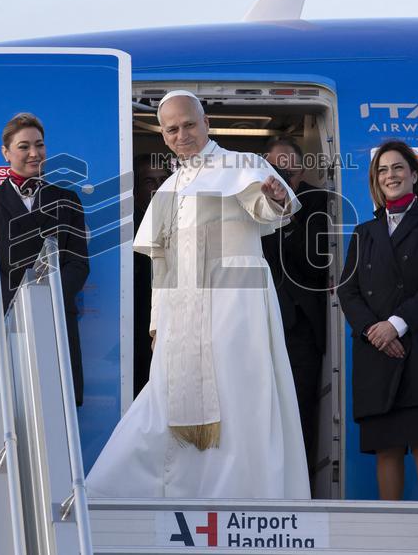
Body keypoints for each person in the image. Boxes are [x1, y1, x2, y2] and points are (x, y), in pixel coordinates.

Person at [86, 90, 310, 499]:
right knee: (163, 404)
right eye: (172, 129)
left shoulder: (241, 164)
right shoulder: (168, 187)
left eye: (189, 124)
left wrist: (275, 199)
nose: (182, 135)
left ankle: (238, 498)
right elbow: (161, 266)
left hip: (235, 306)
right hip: (181, 316)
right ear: (163, 135)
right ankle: (117, 495)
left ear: (206, 122)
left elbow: (268, 208)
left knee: (238, 400)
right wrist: (156, 324)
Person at [336, 140, 418, 501]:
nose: (390, 175)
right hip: (376, 352)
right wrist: (373, 331)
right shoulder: (364, 233)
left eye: (397, 168)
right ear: (376, 180)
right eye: (382, 170)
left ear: (415, 175)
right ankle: (389, 529)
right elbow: (348, 291)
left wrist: (396, 325)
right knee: (386, 448)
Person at [0, 112, 90, 406]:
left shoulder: (67, 199)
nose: (34, 153)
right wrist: (19, 302)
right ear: (6, 153)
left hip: (55, 317)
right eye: (24, 146)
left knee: (57, 405)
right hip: (7, 320)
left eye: (40, 145)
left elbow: (78, 264)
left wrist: (46, 298)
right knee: (9, 405)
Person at [260, 137, 329, 477]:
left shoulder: (318, 202)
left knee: (299, 409)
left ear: (301, 172)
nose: (282, 176)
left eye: (289, 170)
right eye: (275, 168)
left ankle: (299, 485)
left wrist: (288, 211)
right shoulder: (251, 202)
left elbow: (315, 264)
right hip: (258, 323)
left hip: (300, 325)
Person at [132, 153, 170, 396]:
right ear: (135, 189)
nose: (158, 188)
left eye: (163, 181)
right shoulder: (129, 227)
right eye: (149, 181)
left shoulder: (181, 222)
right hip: (137, 331)